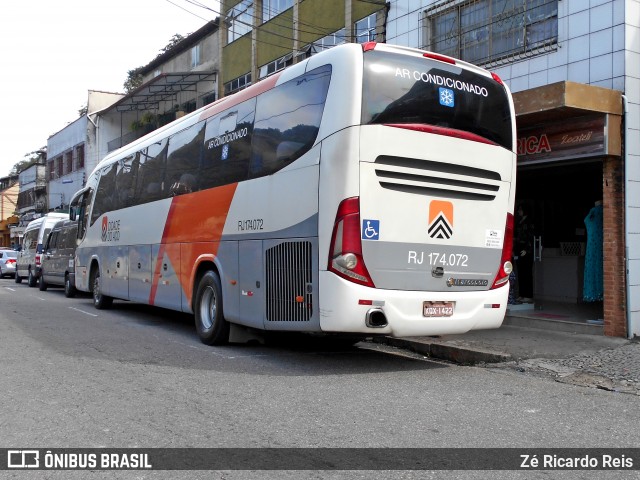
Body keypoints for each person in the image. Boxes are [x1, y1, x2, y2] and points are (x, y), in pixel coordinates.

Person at [514, 204, 534, 303]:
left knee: (527, 273)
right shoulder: (519, 222)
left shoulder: (529, 222)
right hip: (519, 248)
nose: (519, 211)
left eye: (521, 210)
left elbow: (530, 237)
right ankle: (522, 294)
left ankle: (528, 295)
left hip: (526, 249)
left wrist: (527, 249)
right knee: (520, 272)